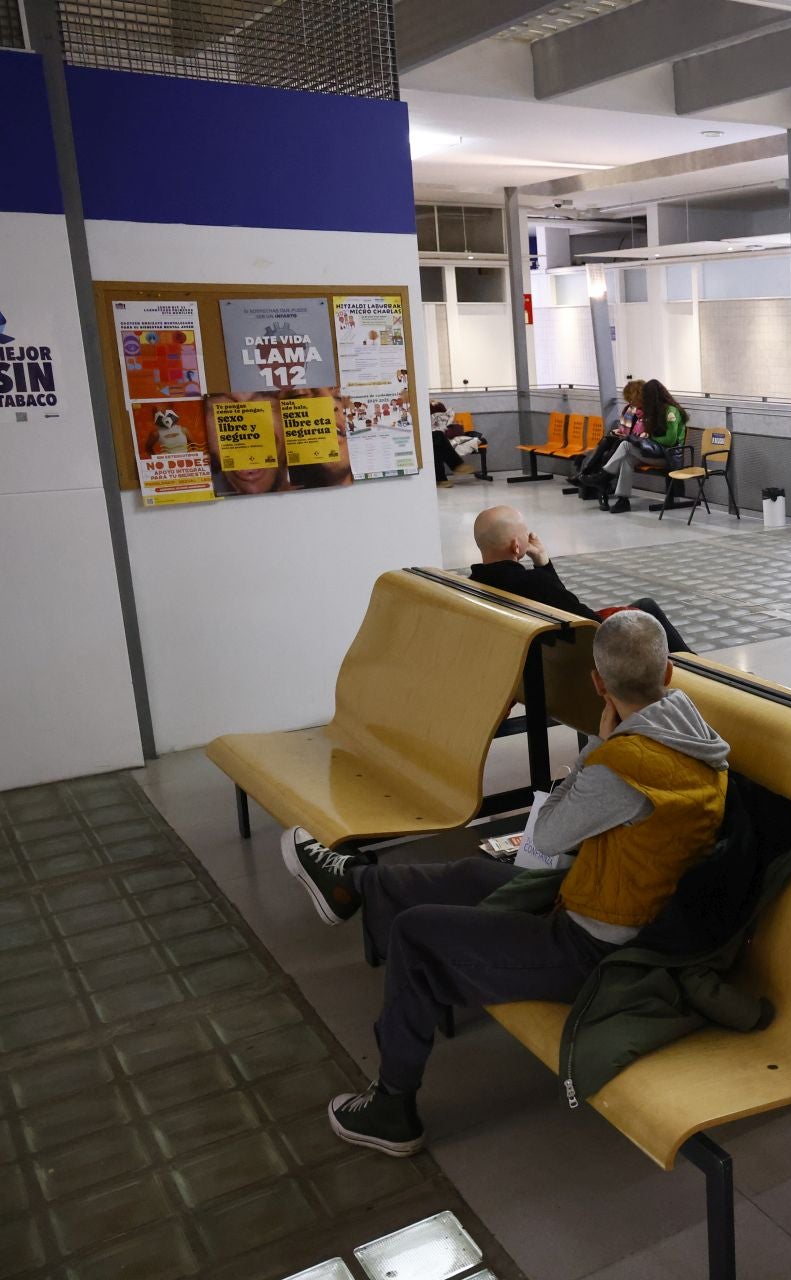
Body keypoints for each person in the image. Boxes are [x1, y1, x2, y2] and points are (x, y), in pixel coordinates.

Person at [278, 611, 730, 1155]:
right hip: (617, 912)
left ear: (597, 683)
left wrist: (597, 747)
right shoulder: (698, 740)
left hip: (594, 951)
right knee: (472, 874)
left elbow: (549, 835)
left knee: (418, 935)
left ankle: (392, 1108)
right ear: (670, 675)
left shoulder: (624, 767)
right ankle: (353, 884)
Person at [466, 505, 691, 652]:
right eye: (526, 532)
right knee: (647, 606)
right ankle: (698, 670)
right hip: (583, 656)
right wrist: (544, 565)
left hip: (538, 660)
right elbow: (582, 619)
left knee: (644, 605)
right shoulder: (533, 583)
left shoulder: (472, 584)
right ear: (516, 545)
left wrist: (541, 562)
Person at [604, 379, 690, 515]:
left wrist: (649, 437)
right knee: (627, 460)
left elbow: (670, 440)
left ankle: (604, 476)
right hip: (655, 452)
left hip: (668, 456)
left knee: (626, 445)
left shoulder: (671, 411)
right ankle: (623, 500)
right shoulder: (657, 411)